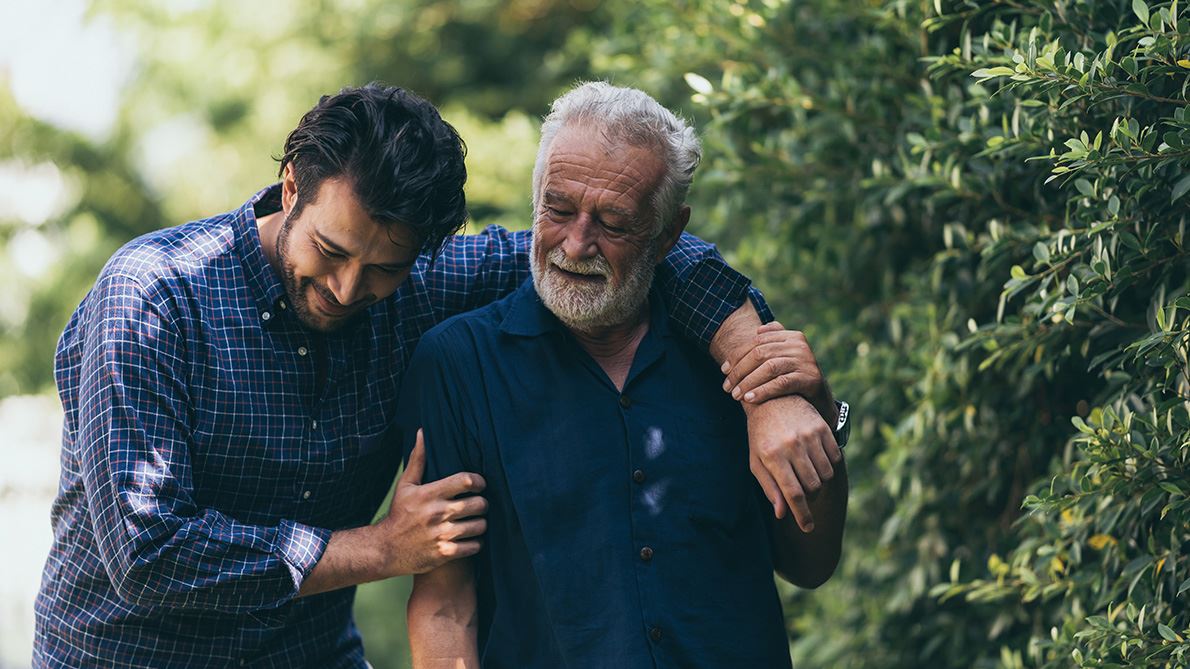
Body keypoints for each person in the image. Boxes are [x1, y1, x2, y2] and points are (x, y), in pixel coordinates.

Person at [33, 83, 838, 668]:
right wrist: (382, 546)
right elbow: (148, 553)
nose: (348, 291)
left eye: (381, 269)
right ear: (291, 188)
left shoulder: (424, 281)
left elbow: (641, 252)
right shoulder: (152, 300)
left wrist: (763, 380)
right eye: (331, 251)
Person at [402, 82, 849, 668]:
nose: (577, 243)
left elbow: (809, 564)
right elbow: (444, 605)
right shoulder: (459, 363)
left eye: (613, 223)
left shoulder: (736, 353)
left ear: (669, 234)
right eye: (558, 210)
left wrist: (817, 412)